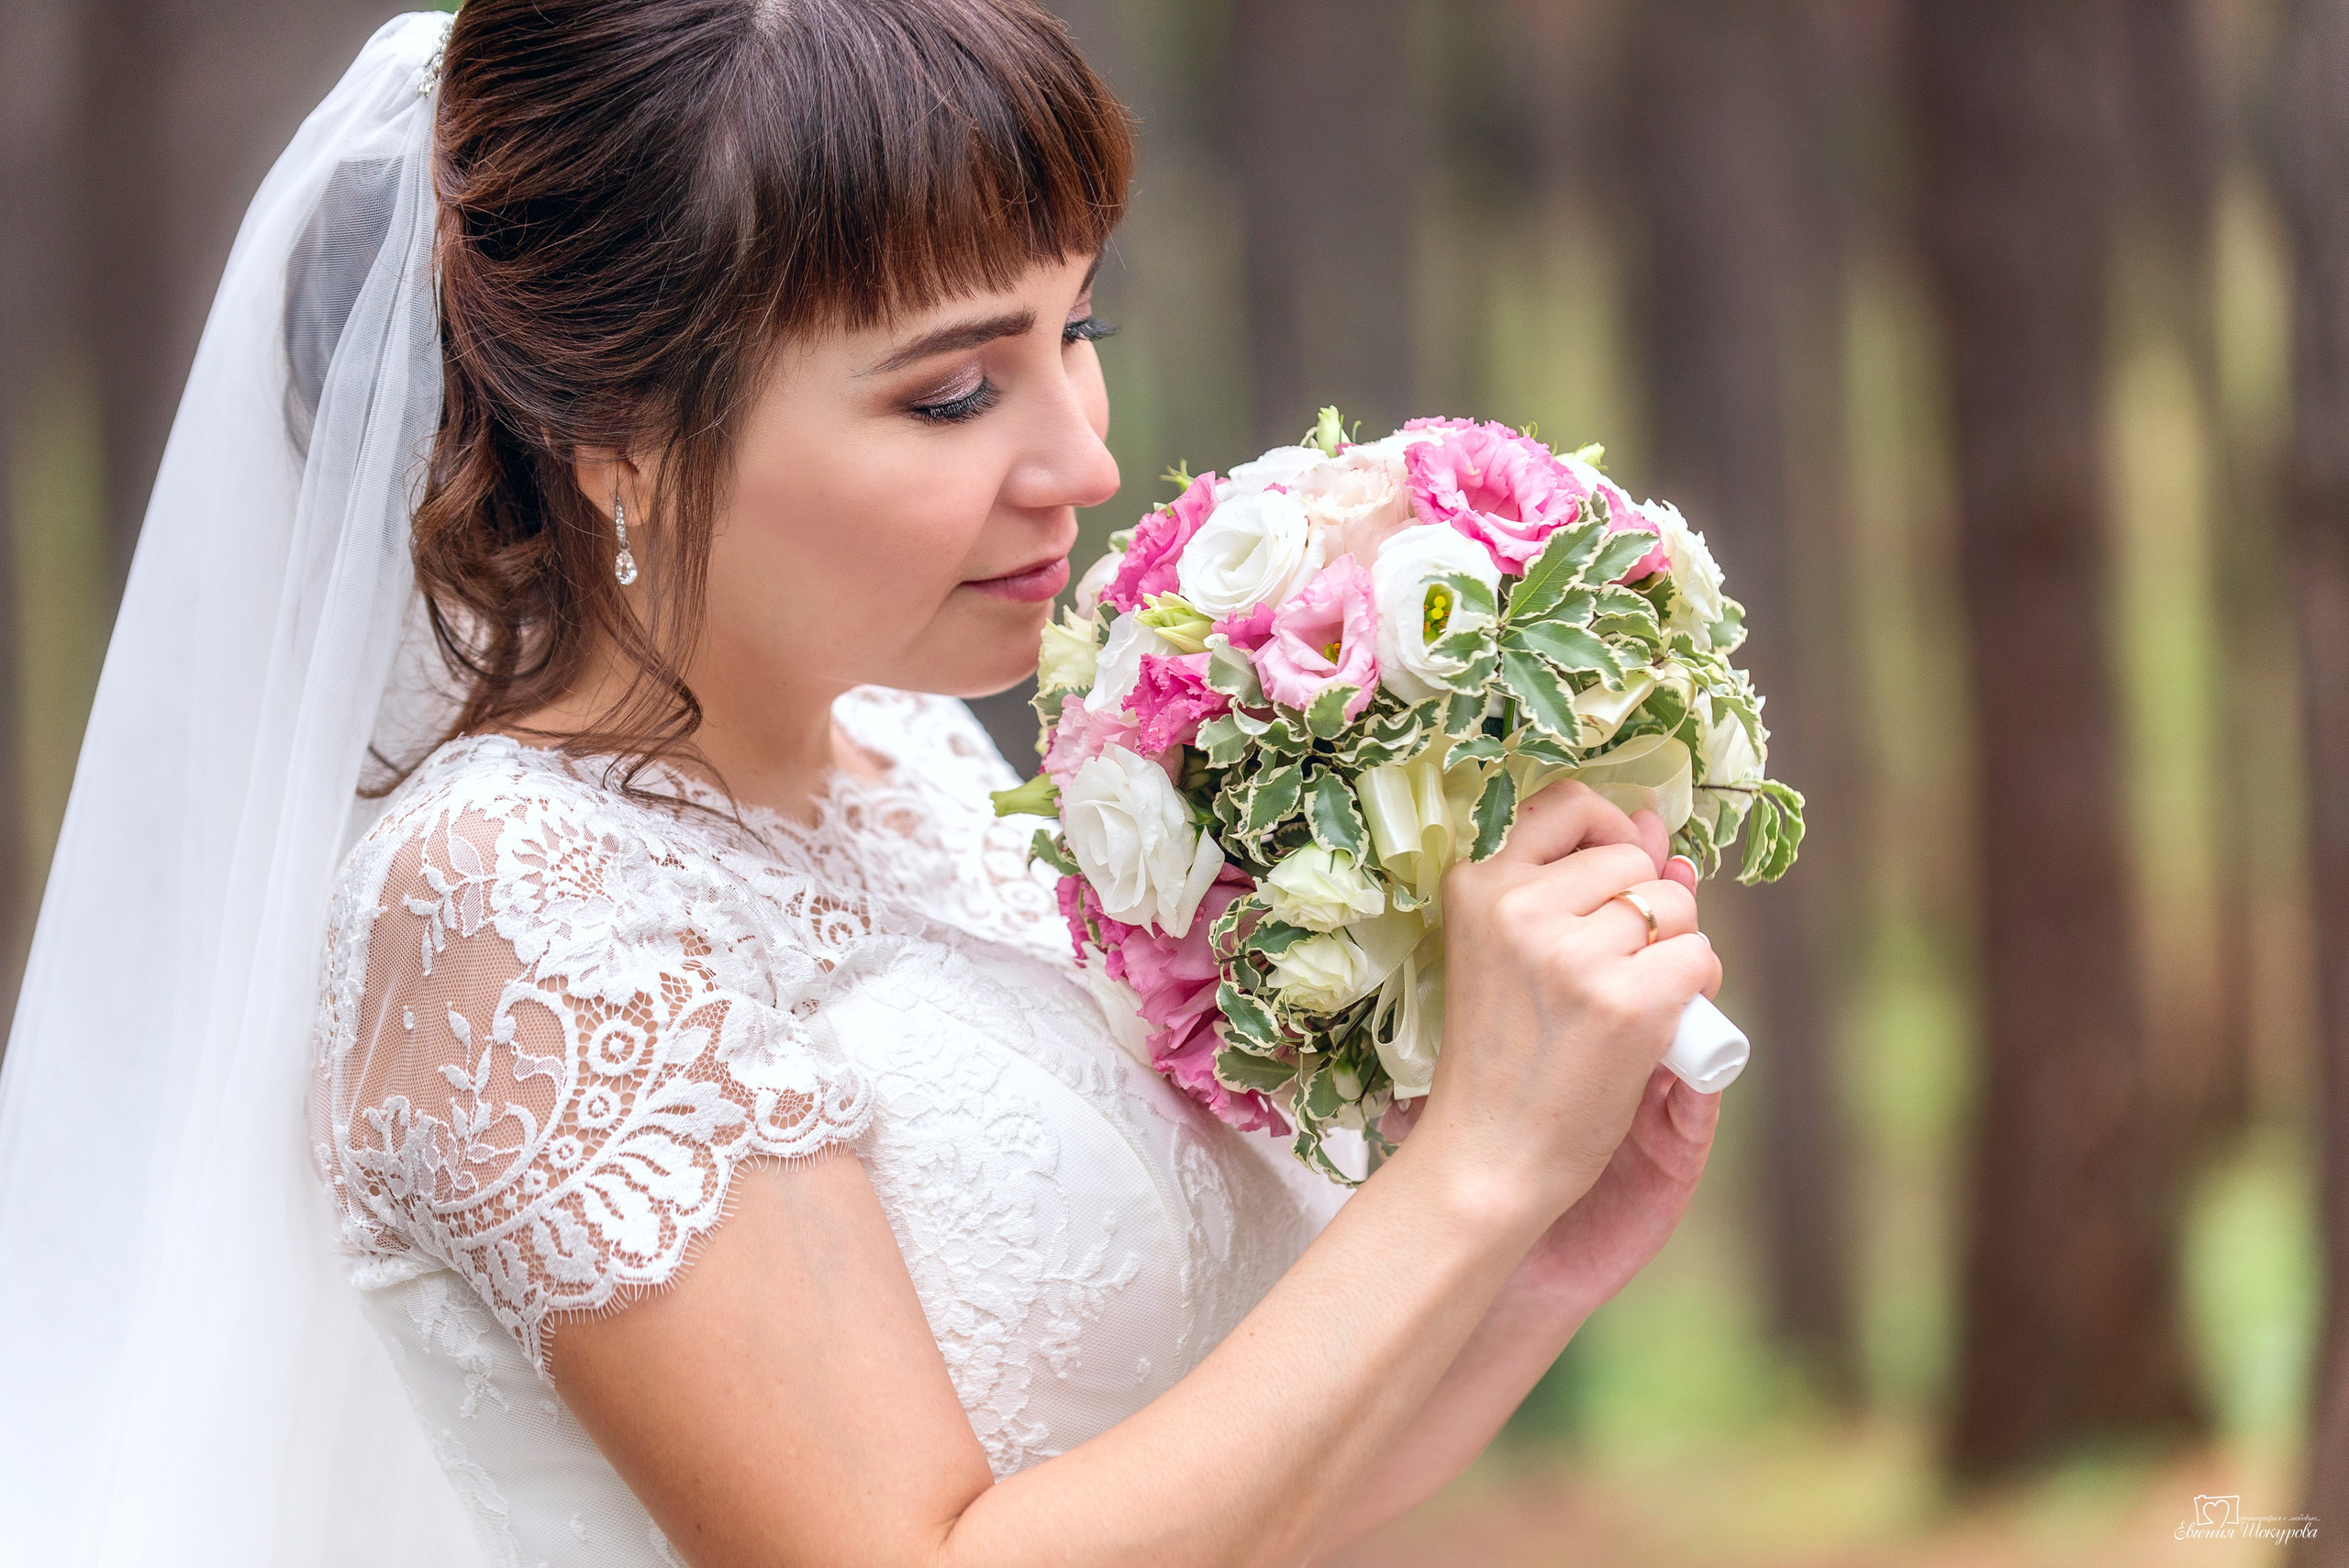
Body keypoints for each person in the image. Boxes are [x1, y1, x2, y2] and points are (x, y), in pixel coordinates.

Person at [0, 4, 1724, 1564]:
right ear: (617, 428)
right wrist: (1469, 1176)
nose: (1085, 456)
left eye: (1079, 326)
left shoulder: (896, 756)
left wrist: (1542, 1241)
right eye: (957, 390)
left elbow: (1221, 1486)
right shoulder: (510, 896)